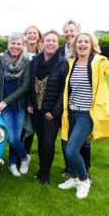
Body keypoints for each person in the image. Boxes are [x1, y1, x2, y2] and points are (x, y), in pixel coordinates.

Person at [58, 33, 109, 198]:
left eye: (86, 42)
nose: (82, 44)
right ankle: (74, 178)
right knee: (67, 147)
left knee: (72, 149)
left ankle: (84, 181)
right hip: (71, 113)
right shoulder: (71, 63)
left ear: (91, 45)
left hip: (86, 114)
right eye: (79, 42)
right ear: (75, 45)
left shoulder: (99, 62)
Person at [0, 32, 31, 177]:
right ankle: (25, 157)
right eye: (13, 43)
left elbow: (25, 87)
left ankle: (12, 164)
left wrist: (6, 101)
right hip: (2, 107)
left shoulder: (26, 63)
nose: (16, 46)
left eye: (19, 44)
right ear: (8, 44)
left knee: (16, 138)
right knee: (11, 137)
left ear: (22, 46)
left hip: (18, 107)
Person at [27, 30, 67, 185]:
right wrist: (30, 103)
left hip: (51, 113)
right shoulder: (35, 61)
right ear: (42, 43)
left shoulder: (62, 63)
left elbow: (64, 90)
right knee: (41, 141)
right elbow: (30, 84)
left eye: (54, 41)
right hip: (36, 111)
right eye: (48, 40)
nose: (50, 43)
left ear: (58, 45)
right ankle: (41, 170)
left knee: (48, 143)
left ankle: (46, 174)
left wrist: (55, 112)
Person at [58, 20, 91, 178]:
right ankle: (71, 171)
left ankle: (85, 172)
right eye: (66, 31)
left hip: (85, 110)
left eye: (72, 31)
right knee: (66, 139)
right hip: (67, 106)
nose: (69, 34)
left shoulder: (94, 58)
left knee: (81, 143)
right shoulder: (62, 54)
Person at [22, 25, 43, 155]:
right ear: (25, 36)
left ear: (38, 36)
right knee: (19, 127)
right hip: (20, 94)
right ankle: (17, 157)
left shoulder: (42, 53)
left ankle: (26, 154)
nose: (32, 35)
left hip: (35, 96)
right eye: (29, 33)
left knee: (31, 126)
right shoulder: (20, 51)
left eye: (34, 33)